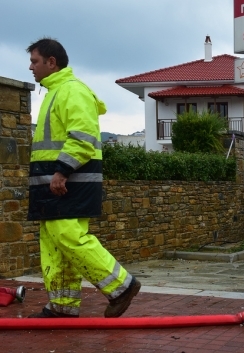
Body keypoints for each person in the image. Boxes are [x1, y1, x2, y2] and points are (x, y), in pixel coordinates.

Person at [26, 37, 141, 318]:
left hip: (67, 181)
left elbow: (83, 138)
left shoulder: (71, 91)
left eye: (35, 61)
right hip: (54, 183)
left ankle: (121, 286)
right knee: (54, 242)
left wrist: (62, 172)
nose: (31, 67)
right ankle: (62, 305)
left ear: (51, 63)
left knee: (68, 235)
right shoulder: (56, 91)